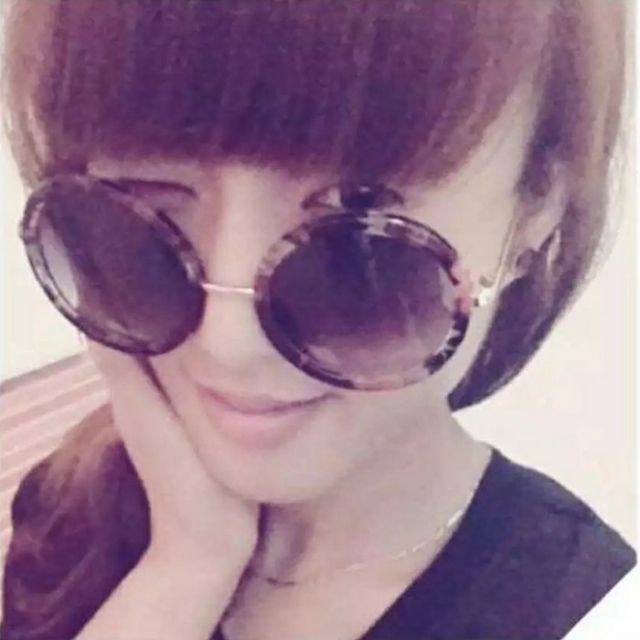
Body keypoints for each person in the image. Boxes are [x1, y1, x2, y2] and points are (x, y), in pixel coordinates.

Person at [0, 1, 635, 639]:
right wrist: (185, 568)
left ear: (536, 210)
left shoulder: (589, 614)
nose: (228, 342)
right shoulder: (73, 508)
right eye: (144, 203)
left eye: (358, 215)